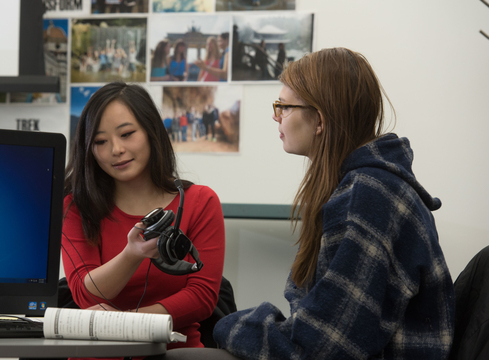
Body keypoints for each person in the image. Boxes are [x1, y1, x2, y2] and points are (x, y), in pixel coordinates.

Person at [150, 47, 456, 359]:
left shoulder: (368, 195)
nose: (275, 115)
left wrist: (231, 326)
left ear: (319, 119)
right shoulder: (362, 186)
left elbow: (325, 346)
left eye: (283, 106)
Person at [62, 81, 225, 359]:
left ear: (151, 131)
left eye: (127, 134)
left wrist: (127, 324)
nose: (116, 149)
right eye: (100, 141)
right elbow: (85, 295)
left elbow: (202, 297)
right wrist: (131, 255)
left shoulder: (201, 202)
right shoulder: (75, 207)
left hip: (176, 353)